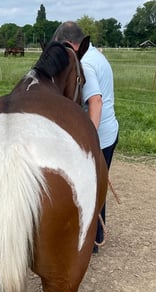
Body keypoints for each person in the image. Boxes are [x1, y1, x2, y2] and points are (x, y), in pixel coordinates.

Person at [52, 21, 119, 253]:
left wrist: (89, 140)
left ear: (70, 45)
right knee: (96, 185)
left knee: (90, 187)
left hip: (99, 135)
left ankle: (91, 239)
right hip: (108, 132)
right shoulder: (94, 55)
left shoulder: (85, 64)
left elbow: (96, 102)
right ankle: (95, 235)